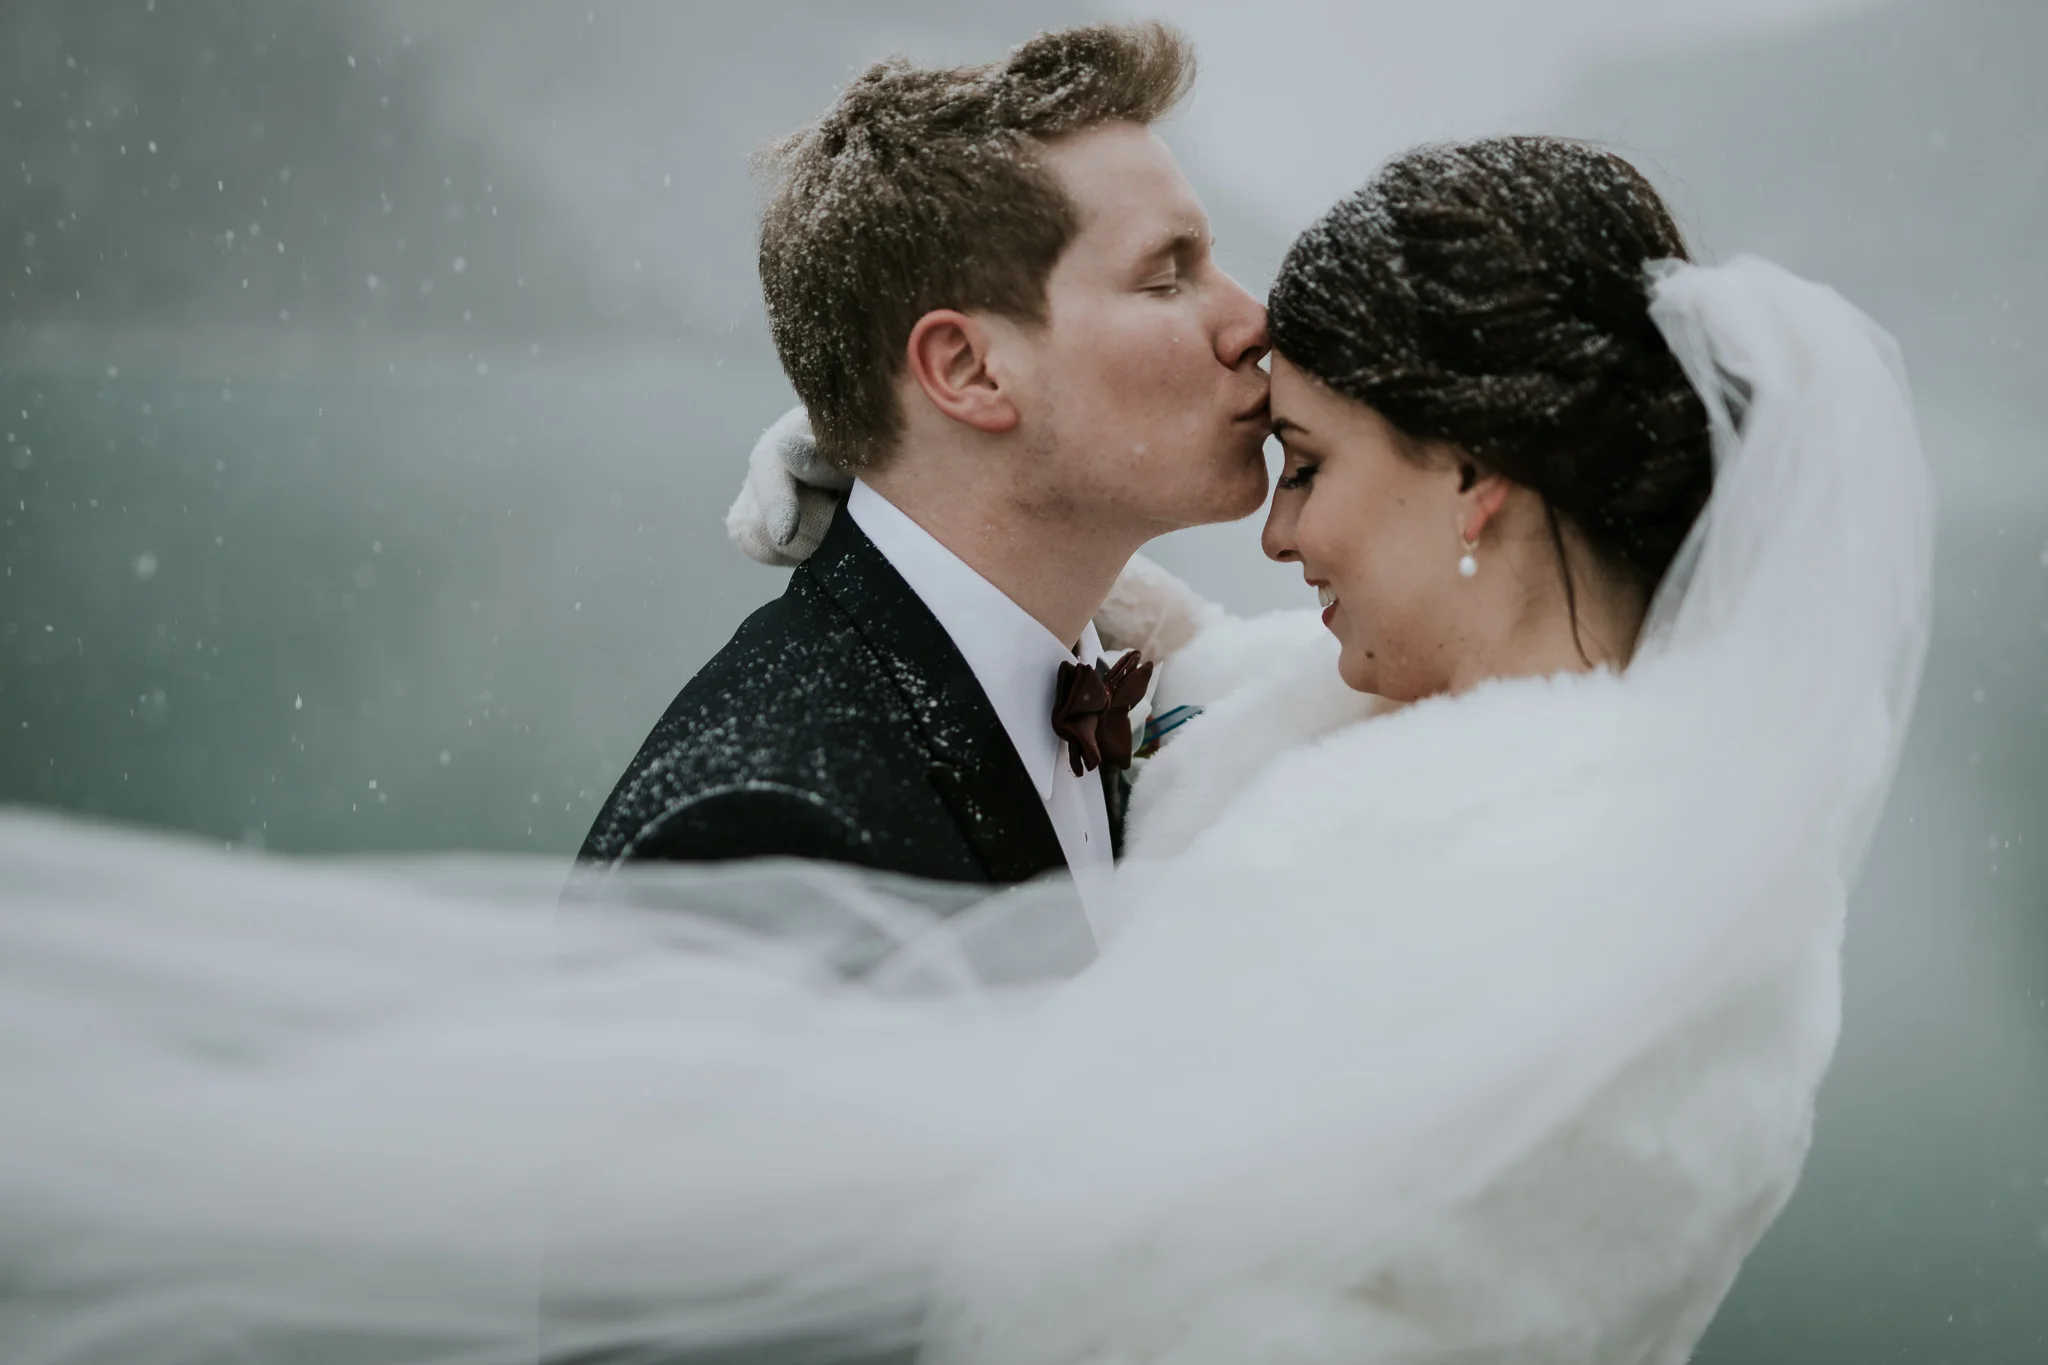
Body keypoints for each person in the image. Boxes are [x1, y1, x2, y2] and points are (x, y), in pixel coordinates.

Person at [0, 137, 1930, 1365]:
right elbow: (1225, 680)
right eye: (1166, 277)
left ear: (1479, 489)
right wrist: (912, 496)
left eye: (1308, 468)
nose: (1271, 534)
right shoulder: (1477, 727)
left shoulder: (1550, 911)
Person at [576, 22, 1271, 889]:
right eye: (1167, 277)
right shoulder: (768, 833)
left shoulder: (1126, 667)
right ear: (968, 370)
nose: (1254, 322)